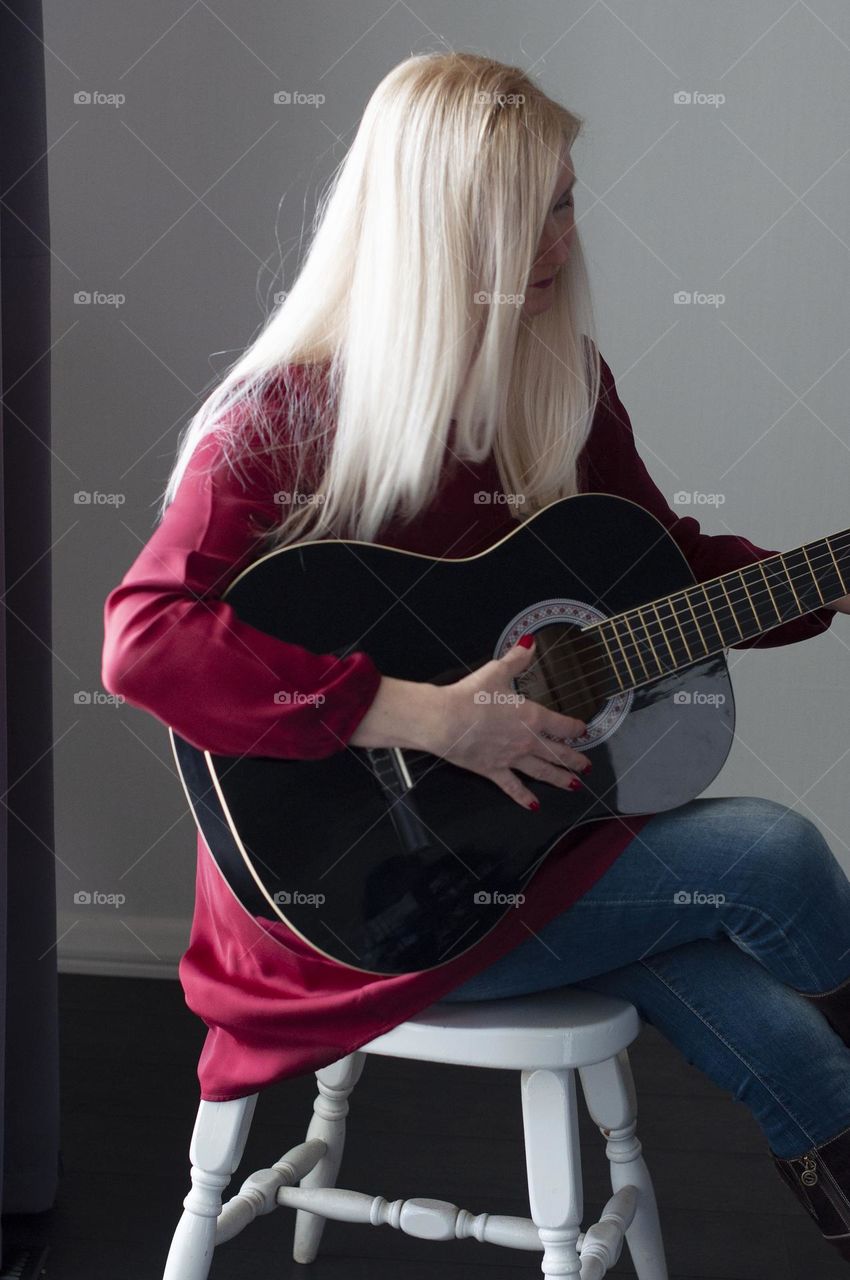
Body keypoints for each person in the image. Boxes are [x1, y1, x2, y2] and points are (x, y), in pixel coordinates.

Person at [101, 50, 850, 1265]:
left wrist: (822, 579)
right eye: (535, 210)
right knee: (768, 853)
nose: (564, 236)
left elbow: (663, 564)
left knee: (757, 999)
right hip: (347, 913)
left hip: (526, 850)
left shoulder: (560, 383)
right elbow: (143, 641)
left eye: (566, 199)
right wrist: (425, 717)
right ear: (439, 226)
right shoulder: (281, 416)